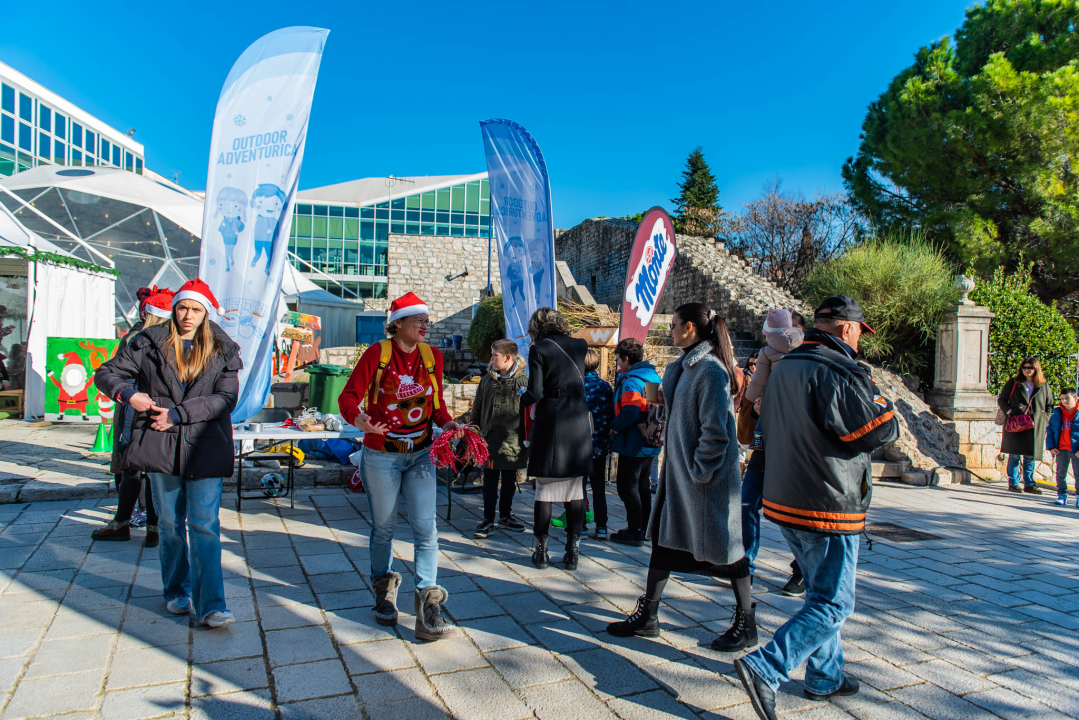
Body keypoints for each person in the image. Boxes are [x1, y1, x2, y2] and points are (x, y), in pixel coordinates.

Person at [734, 295, 899, 720]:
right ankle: (767, 666)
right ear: (848, 328)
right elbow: (876, 431)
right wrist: (885, 404)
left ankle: (826, 675)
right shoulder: (839, 369)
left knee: (820, 593)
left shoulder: (785, 365)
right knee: (834, 604)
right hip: (828, 501)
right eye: (860, 331)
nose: (860, 339)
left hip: (786, 497)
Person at [607, 303, 757, 652]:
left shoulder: (710, 370)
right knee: (663, 545)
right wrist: (659, 398)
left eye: (674, 324)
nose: (670, 330)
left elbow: (717, 431)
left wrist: (699, 472)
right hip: (679, 479)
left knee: (729, 554)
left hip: (706, 484)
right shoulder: (685, 366)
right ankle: (649, 614)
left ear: (690, 327)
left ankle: (747, 622)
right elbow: (682, 411)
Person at [95, 278, 241, 629]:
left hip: (205, 444)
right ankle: (176, 590)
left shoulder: (224, 348)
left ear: (206, 313)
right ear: (174, 309)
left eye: (195, 309)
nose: (188, 315)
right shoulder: (148, 341)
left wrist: (178, 414)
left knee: (205, 525)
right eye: (182, 307)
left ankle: (212, 606)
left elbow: (225, 399)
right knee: (171, 524)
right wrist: (129, 394)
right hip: (161, 447)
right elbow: (107, 373)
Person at [337, 292, 460, 642]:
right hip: (381, 455)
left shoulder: (432, 357)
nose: (425, 325)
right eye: (418, 319)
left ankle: (428, 605)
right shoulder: (377, 354)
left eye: (426, 320)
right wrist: (358, 418)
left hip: (421, 454)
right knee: (384, 528)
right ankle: (384, 591)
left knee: (426, 528)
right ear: (398, 323)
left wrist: (447, 423)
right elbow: (348, 397)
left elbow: (436, 404)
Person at [92, 287, 174, 546]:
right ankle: (151, 527)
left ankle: (128, 524)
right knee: (147, 469)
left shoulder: (138, 337)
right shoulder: (156, 337)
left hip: (138, 408)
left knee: (134, 468)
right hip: (150, 406)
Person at [742, 309, 807, 597]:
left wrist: (759, 402)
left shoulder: (807, 357)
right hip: (770, 440)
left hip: (790, 444)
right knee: (748, 503)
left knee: (789, 513)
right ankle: (746, 567)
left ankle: (802, 570)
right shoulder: (772, 354)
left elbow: (753, 394)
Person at [521, 307, 592, 571]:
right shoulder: (581, 345)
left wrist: (519, 400)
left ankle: (541, 554)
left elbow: (536, 392)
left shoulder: (538, 349)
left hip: (552, 421)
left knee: (545, 491)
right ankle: (572, 553)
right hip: (578, 422)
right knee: (576, 492)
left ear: (536, 327)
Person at [472, 339, 528, 538]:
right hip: (489, 440)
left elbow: (530, 413)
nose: (491, 359)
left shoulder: (523, 382)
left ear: (507, 357)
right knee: (489, 481)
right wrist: (473, 429)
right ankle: (488, 520)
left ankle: (505, 516)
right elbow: (477, 407)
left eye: (495, 355)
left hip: (514, 441)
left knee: (509, 481)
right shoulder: (487, 380)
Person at [609, 338, 662, 547]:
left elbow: (631, 410)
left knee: (626, 486)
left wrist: (615, 426)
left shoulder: (632, 380)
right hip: (650, 439)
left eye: (619, 360)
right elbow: (652, 407)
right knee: (642, 485)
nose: (618, 365)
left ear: (626, 358)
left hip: (633, 442)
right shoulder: (651, 376)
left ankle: (634, 530)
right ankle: (644, 527)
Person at [998, 357, 1054, 495]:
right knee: (1014, 455)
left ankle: (1029, 483)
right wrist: (1009, 411)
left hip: (1034, 424)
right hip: (1016, 423)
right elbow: (1002, 399)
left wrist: (1045, 419)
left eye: (1030, 367)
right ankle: (1013, 482)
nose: (1027, 370)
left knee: (1030, 456)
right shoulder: (1014, 382)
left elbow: (1049, 404)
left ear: (1036, 369)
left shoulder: (1043, 385)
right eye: (1024, 367)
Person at [583, 349, 614, 539]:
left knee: (578, 486)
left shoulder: (576, 386)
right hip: (600, 443)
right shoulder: (605, 386)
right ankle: (601, 526)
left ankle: (580, 525)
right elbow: (611, 413)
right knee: (598, 487)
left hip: (579, 445)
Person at [1046, 387, 1079, 507]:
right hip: (1061, 449)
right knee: (1060, 473)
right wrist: (1051, 447)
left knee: (1078, 474)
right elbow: (1050, 430)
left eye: (1067, 398)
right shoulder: (1057, 413)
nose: (1064, 401)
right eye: (1062, 399)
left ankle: (1078, 496)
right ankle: (1062, 495)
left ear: (1075, 399)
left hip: (1076, 450)